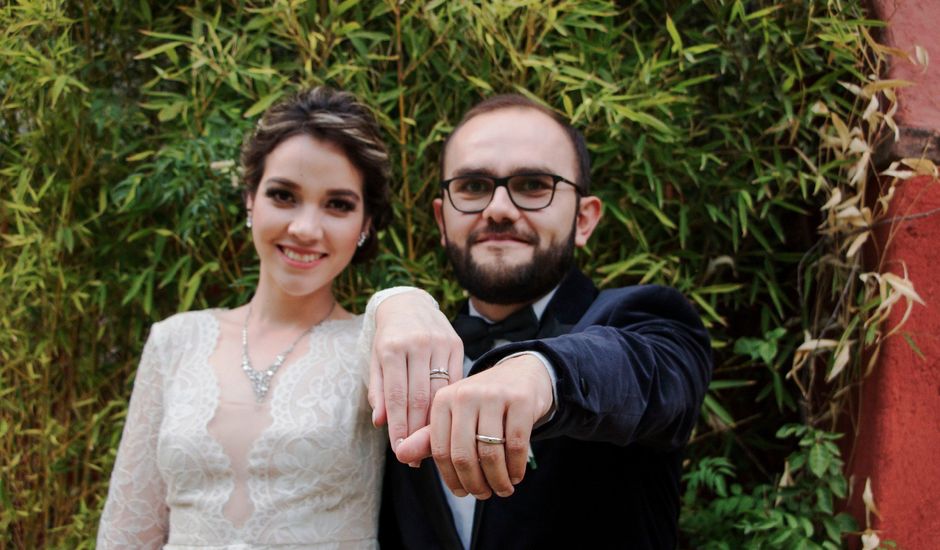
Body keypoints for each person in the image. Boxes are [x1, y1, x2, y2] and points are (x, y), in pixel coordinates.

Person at [96, 86, 462, 548]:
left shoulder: (376, 342)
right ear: (251, 199)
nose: (305, 228)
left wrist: (406, 298)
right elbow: (126, 533)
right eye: (284, 195)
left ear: (366, 224)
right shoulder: (175, 340)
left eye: (338, 204)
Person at [375, 94, 713, 549]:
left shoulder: (648, 320)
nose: (498, 208)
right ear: (442, 218)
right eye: (473, 186)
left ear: (584, 218)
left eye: (533, 184)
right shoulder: (409, 352)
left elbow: (646, 376)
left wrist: (542, 372)